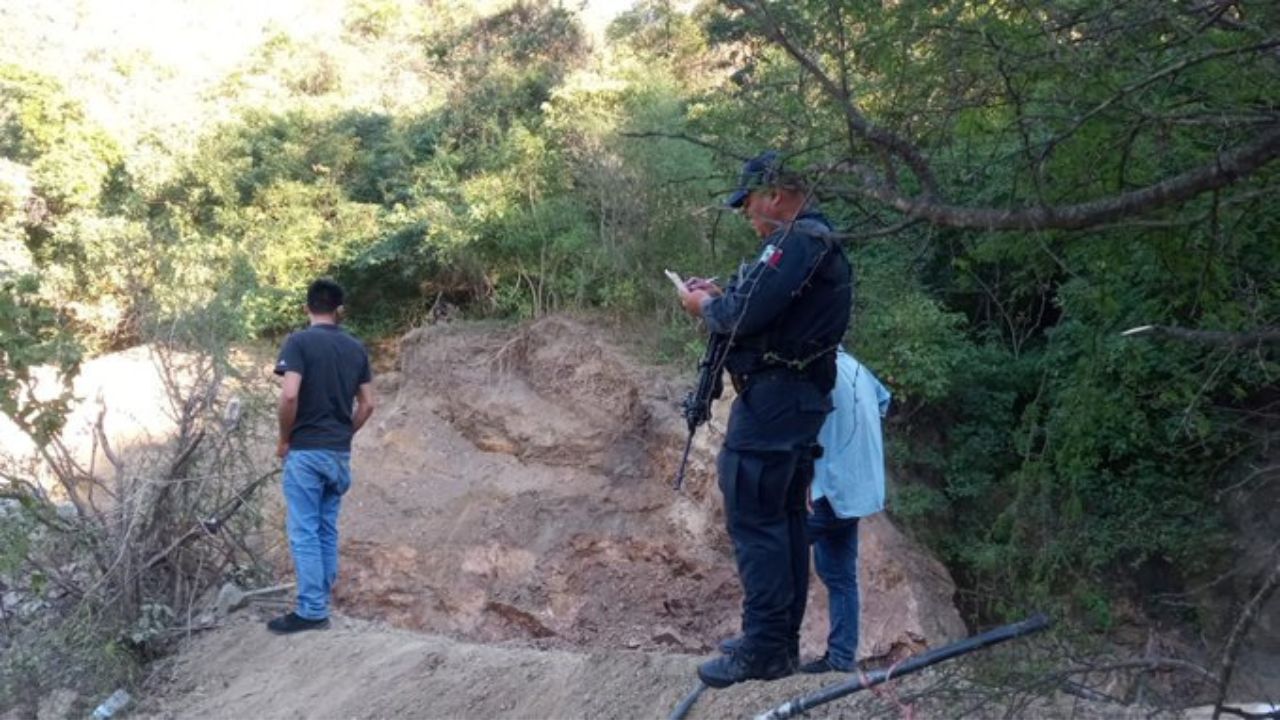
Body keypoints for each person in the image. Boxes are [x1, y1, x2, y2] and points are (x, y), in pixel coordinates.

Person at [677, 151, 852, 687]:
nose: (748, 218)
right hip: (791, 401)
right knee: (785, 521)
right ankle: (774, 643)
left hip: (775, 404)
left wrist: (703, 306)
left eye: (750, 204)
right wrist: (723, 297)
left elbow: (740, 318)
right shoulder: (814, 244)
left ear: (775, 195)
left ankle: (766, 649)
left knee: (757, 519)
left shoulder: (796, 242)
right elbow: (766, 315)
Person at [269, 278, 375, 634]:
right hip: (338, 455)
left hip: (307, 453)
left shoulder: (298, 342)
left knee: (304, 531)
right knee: (326, 529)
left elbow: (289, 397)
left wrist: (285, 439)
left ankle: (312, 610)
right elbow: (368, 404)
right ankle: (321, 602)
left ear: (307, 308)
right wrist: (345, 433)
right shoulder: (356, 348)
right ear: (339, 310)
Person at [798, 347, 891, 674]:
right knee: (839, 575)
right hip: (858, 490)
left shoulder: (813, 369)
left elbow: (796, 429)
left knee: (781, 559)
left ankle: (773, 649)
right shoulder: (856, 367)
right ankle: (840, 658)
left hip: (829, 488)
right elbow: (883, 401)